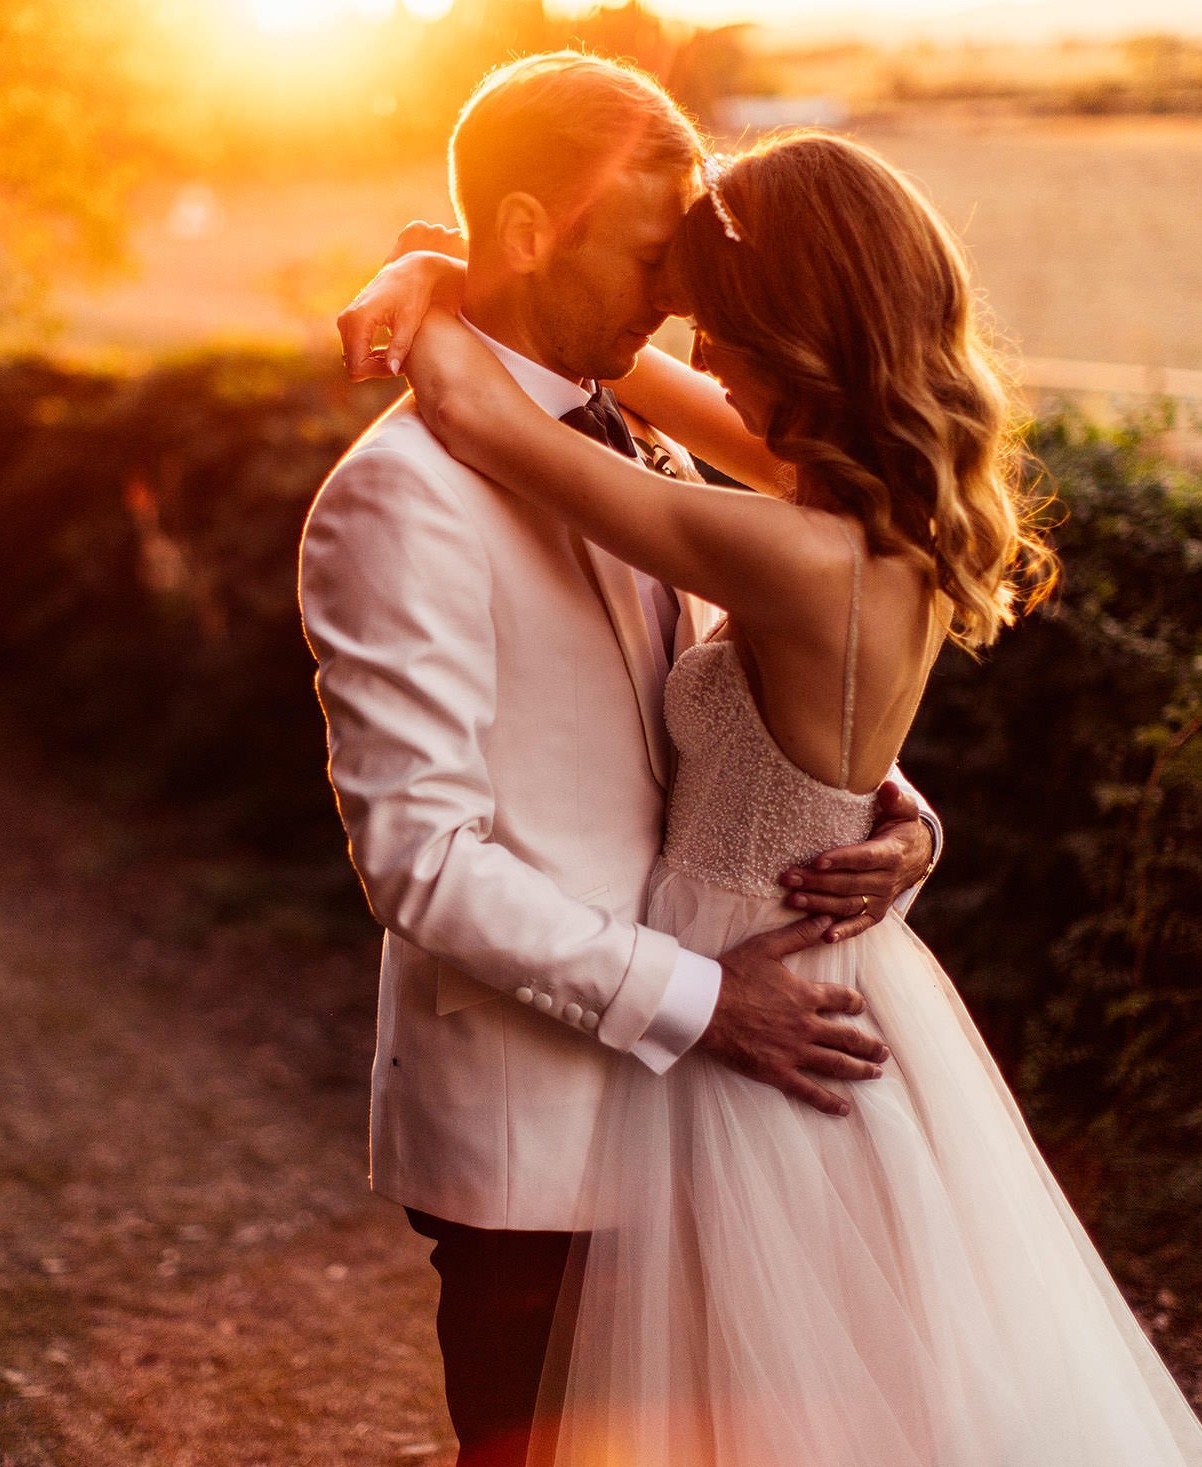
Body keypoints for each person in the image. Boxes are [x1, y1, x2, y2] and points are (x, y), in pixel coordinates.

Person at [338, 114, 1202, 1465]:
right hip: (747, 1008)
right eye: (664, 277)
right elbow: (779, 711)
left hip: (749, 1036)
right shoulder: (861, 509)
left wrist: (420, 277)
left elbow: (481, 406)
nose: (682, 340)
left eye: (714, 314)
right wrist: (889, 811)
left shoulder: (775, 533)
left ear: (802, 336)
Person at [297, 54, 945, 1467]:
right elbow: (424, 862)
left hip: (719, 1128)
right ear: (530, 231)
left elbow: (747, 709)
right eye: (657, 252)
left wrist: (886, 810)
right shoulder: (400, 504)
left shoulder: (644, 440)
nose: (684, 303)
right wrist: (707, 1003)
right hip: (551, 1146)